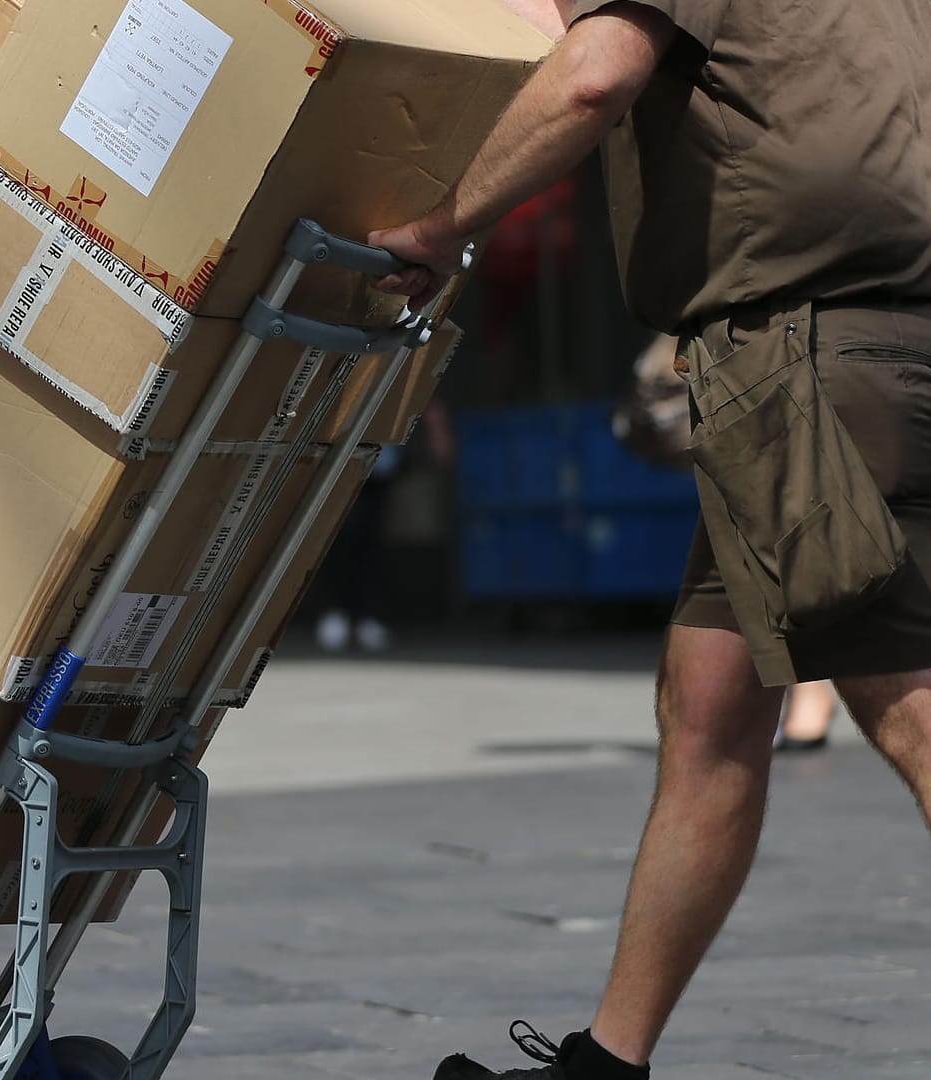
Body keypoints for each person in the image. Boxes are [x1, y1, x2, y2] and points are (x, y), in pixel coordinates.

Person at [367, 1, 931, 1077]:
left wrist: (445, 225)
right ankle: (607, 1062)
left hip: (801, 357)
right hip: (870, 341)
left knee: (905, 705)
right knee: (710, 712)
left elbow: (594, 73)